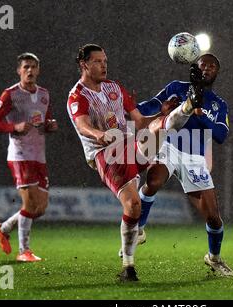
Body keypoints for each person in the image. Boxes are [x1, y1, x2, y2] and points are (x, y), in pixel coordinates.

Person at [67, 44, 204, 281]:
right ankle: (128, 267)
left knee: (160, 124)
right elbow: (82, 124)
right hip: (106, 155)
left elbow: (140, 121)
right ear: (84, 65)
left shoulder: (115, 88)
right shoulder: (77, 95)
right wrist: (98, 134)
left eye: (105, 60)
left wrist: (161, 112)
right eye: (98, 61)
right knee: (133, 205)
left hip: (130, 146)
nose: (104, 65)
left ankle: (187, 106)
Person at [126, 53, 233, 277]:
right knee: (154, 180)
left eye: (212, 66)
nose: (206, 68)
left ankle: (214, 258)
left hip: (194, 158)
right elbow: (153, 105)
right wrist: (132, 107)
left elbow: (221, 135)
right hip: (169, 146)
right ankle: (139, 229)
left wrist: (199, 113)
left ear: (216, 73)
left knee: (214, 219)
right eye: (202, 65)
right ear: (194, 67)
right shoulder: (176, 87)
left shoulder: (218, 104)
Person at [0, 52, 58, 262]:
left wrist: (50, 126)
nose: (29, 70)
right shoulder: (10, 94)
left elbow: (45, 120)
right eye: (25, 67)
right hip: (20, 155)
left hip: (39, 156)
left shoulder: (44, 94)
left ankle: (3, 227)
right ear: (19, 70)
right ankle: (23, 251)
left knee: (40, 208)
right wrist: (14, 126)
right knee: (29, 205)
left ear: (38, 70)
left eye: (33, 67)